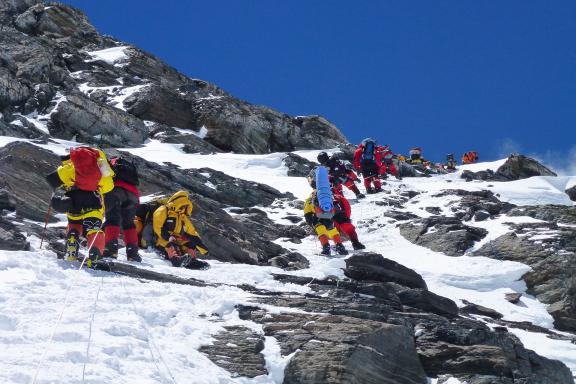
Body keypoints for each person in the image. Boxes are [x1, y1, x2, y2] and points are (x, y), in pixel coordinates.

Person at [45, 146, 114, 267]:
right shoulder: (101, 167)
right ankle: (94, 257)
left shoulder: (72, 166)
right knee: (93, 229)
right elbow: (109, 187)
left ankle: (72, 241)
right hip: (93, 199)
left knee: (74, 224)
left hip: (73, 199)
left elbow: (52, 180)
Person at [152, 191, 209, 267]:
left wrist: (202, 248)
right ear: (179, 202)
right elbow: (158, 227)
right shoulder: (163, 209)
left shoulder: (182, 217)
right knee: (172, 244)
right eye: (183, 205)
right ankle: (175, 260)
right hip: (162, 238)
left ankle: (192, 261)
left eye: (186, 205)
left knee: (191, 244)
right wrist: (169, 237)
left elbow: (192, 232)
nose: (184, 207)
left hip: (177, 239)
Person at [102, 156, 141, 262]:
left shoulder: (110, 164)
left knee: (112, 219)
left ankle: (111, 249)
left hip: (115, 190)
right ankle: (133, 253)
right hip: (133, 194)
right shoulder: (129, 170)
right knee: (129, 224)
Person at [303, 185, 349, 256]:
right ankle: (340, 247)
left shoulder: (309, 199)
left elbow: (307, 211)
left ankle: (326, 248)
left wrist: (310, 222)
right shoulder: (327, 196)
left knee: (321, 232)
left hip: (316, 217)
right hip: (328, 216)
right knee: (333, 231)